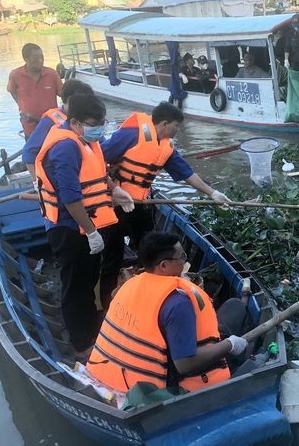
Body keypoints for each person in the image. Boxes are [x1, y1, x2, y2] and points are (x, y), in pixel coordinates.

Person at [99, 102, 231, 310]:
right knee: (112, 257)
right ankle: (108, 306)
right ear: (164, 123)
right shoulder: (132, 134)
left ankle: (150, 298)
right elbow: (97, 159)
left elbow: (186, 173)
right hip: (115, 204)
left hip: (140, 204)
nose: (177, 131)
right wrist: (114, 189)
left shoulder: (166, 146)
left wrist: (212, 193)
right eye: (176, 126)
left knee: (151, 252)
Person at [34, 94, 135, 361]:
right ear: (76, 122)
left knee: (89, 279)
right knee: (76, 286)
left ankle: (92, 330)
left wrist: (115, 191)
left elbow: (98, 174)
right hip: (69, 228)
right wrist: (90, 231)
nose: (100, 129)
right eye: (94, 123)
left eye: (102, 123)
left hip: (87, 224)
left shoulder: (87, 141)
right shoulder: (65, 147)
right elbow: (70, 197)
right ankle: (82, 345)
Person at [87, 231, 248, 393]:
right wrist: (229, 345)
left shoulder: (128, 285)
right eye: (181, 258)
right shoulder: (178, 303)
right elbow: (184, 364)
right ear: (163, 265)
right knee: (235, 313)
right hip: (158, 388)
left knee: (234, 308)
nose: (184, 262)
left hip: (108, 372)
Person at [22, 79, 95, 179]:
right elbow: (29, 152)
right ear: (69, 101)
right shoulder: (49, 122)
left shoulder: (86, 118)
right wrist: (37, 182)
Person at [7, 43, 63, 139]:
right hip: (30, 125)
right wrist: (22, 106)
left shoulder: (51, 74)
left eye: (42, 57)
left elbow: (64, 95)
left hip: (51, 124)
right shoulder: (16, 75)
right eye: (35, 58)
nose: (40, 61)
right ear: (26, 59)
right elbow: (12, 91)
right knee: (33, 151)